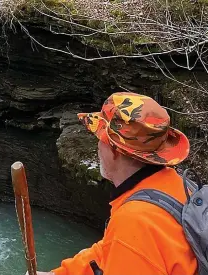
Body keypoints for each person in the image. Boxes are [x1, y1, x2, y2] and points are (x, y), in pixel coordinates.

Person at [30, 92, 198, 275]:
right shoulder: (177, 185)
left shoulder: (134, 222)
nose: (97, 147)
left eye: (100, 139)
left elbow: (127, 243)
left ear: (114, 150)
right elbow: (109, 249)